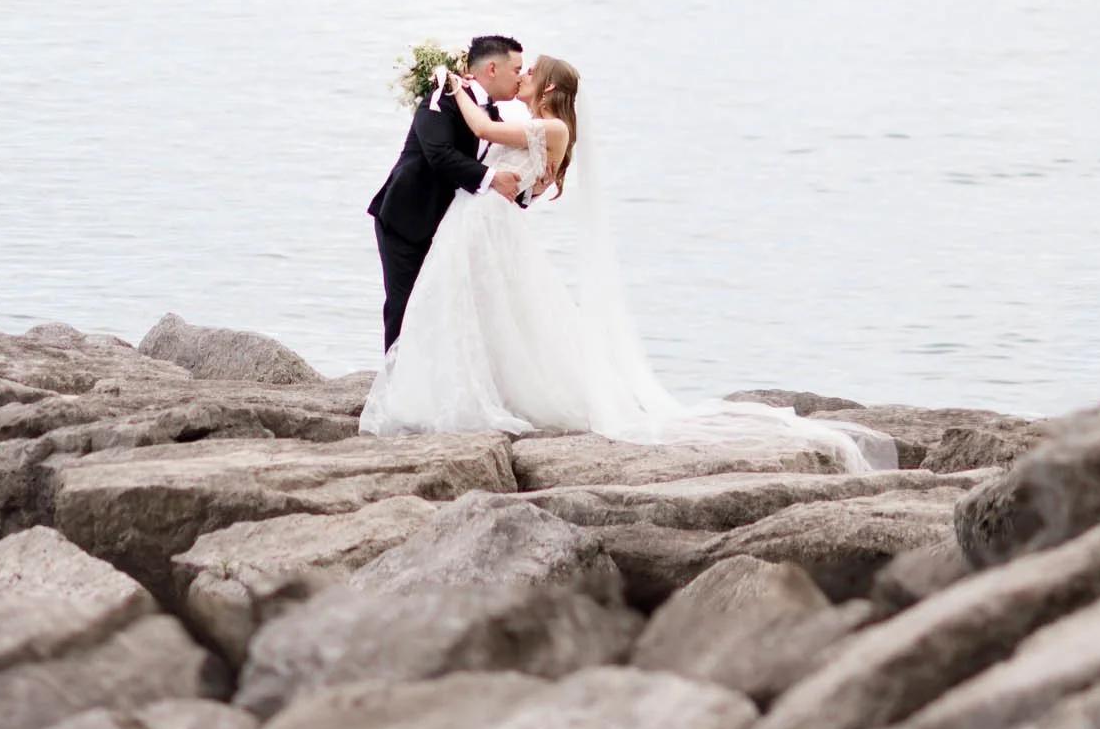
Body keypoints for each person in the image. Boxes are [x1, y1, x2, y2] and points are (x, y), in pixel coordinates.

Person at [359, 49, 891, 474]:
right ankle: (444, 384)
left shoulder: (545, 128)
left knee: (478, 308)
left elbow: (479, 132)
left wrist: (449, 87)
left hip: (486, 227)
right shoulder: (530, 121)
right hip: (480, 224)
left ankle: (460, 391)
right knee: (472, 309)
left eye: (529, 71)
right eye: (517, 67)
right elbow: (509, 171)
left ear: (546, 87)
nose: (521, 76)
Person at [366, 33, 526, 351]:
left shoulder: (493, 118)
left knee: (446, 309)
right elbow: (438, 153)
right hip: (407, 218)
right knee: (405, 305)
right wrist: (493, 178)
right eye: (516, 69)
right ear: (492, 68)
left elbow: (507, 177)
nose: (520, 78)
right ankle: (395, 388)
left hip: (450, 227)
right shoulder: (442, 97)